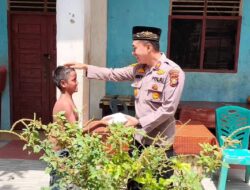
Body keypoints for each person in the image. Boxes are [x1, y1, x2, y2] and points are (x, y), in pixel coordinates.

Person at [65, 26, 185, 148]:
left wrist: (139, 122)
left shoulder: (172, 72)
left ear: (148, 47)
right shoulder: (139, 68)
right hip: (138, 137)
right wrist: (86, 67)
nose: (133, 53)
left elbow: (168, 109)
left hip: (159, 142)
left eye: (135, 48)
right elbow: (113, 73)